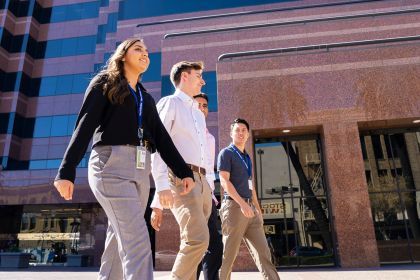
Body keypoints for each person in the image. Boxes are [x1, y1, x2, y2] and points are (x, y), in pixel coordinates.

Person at [53, 38, 194, 280]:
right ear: (123, 55)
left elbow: (161, 137)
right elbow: (84, 126)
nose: (145, 54)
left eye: (147, 52)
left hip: (140, 170)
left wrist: (183, 171)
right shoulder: (104, 83)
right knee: (137, 240)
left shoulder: (145, 96)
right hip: (110, 166)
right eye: (138, 49)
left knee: (119, 238)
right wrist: (66, 170)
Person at [150, 93, 223, 280]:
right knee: (197, 241)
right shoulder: (180, 129)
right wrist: (157, 204)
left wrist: (211, 194)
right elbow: (164, 159)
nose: (201, 108)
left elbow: (208, 168)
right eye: (197, 104)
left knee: (209, 244)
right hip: (184, 186)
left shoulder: (210, 139)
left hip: (205, 193)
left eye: (205, 105)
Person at [218, 118, 280, 280]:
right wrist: (242, 204)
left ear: (248, 135)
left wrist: (257, 209)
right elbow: (224, 181)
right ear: (231, 133)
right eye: (237, 130)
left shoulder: (247, 158)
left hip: (250, 209)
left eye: (243, 130)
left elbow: (250, 186)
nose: (240, 133)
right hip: (233, 208)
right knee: (229, 255)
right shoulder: (226, 153)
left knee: (264, 253)